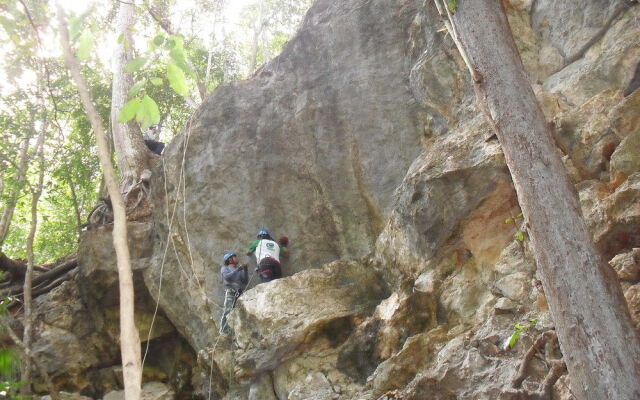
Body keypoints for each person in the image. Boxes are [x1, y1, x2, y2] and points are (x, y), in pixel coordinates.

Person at [219, 251, 248, 334]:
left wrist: (245, 270)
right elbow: (227, 277)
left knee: (239, 312)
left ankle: (234, 332)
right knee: (228, 310)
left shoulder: (239, 269)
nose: (237, 258)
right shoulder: (225, 268)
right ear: (230, 259)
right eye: (235, 257)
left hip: (239, 293)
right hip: (231, 292)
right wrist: (238, 269)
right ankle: (223, 331)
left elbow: (245, 281)